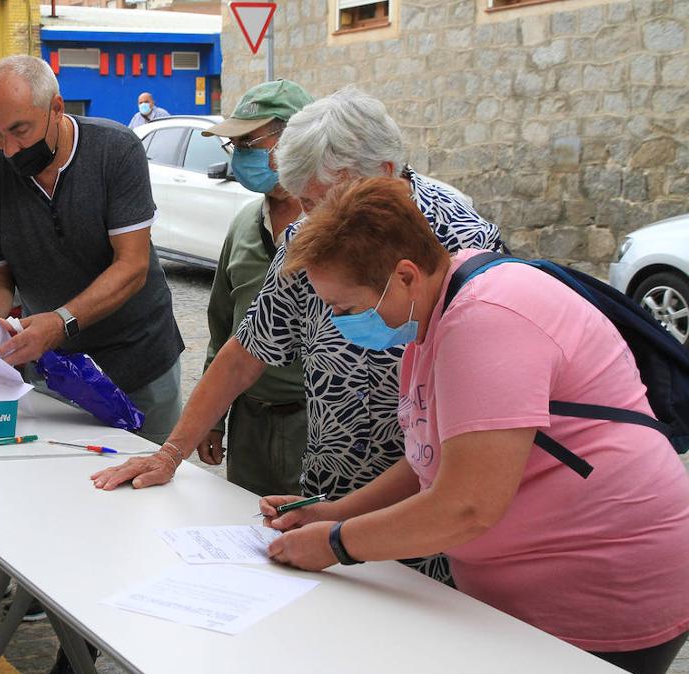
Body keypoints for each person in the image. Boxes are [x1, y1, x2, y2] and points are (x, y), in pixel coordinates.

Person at [263, 177, 689, 674]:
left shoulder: (484, 319)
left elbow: (468, 506)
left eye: (348, 308)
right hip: (530, 594)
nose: (340, 323)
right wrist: (333, 513)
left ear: (404, 275)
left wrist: (336, 545)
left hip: (600, 593)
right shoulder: (440, 310)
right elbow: (433, 456)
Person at [92, 86, 504, 583]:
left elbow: (470, 443)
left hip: (427, 510)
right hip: (330, 489)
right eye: (304, 201)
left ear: (384, 176)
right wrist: (170, 453)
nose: (310, 217)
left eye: (318, 198)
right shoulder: (310, 237)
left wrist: (346, 530)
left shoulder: (462, 241)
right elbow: (246, 351)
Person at [0, 56, 185, 648]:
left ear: (57, 109)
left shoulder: (115, 151)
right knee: (66, 508)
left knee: (141, 512)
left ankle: (143, 639)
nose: (6, 148)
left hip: (139, 354)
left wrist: (61, 319)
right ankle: (76, 645)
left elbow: (132, 266)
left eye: (20, 131)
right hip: (60, 372)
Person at [199, 80, 312, 495]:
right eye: (237, 145)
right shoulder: (245, 224)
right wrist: (213, 417)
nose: (241, 154)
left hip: (315, 425)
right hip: (249, 424)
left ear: (295, 138)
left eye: (250, 141)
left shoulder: (337, 225)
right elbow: (221, 328)